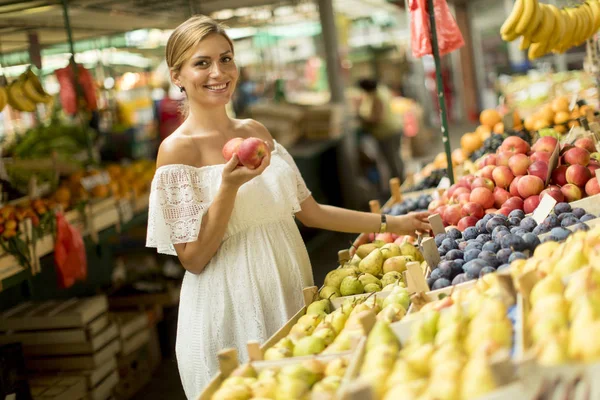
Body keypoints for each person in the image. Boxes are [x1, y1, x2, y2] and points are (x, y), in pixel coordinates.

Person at [146, 16, 431, 399]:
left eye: (226, 59)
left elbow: (312, 212)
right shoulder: (177, 150)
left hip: (291, 292)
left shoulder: (256, 132)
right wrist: (228, 188)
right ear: (177, 75)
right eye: (202, 63)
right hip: (229, 312)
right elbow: (194, 258)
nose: (218, 72)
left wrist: (395, 222)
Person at [356, 78, 405, 182]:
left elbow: (378, 117)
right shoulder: (382, 90)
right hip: (393, 128)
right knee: (395, 158)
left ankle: (399, 184)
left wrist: (363, 119)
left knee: (392, 159)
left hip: (387, 132)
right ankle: (399, 182)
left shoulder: (376, 96)